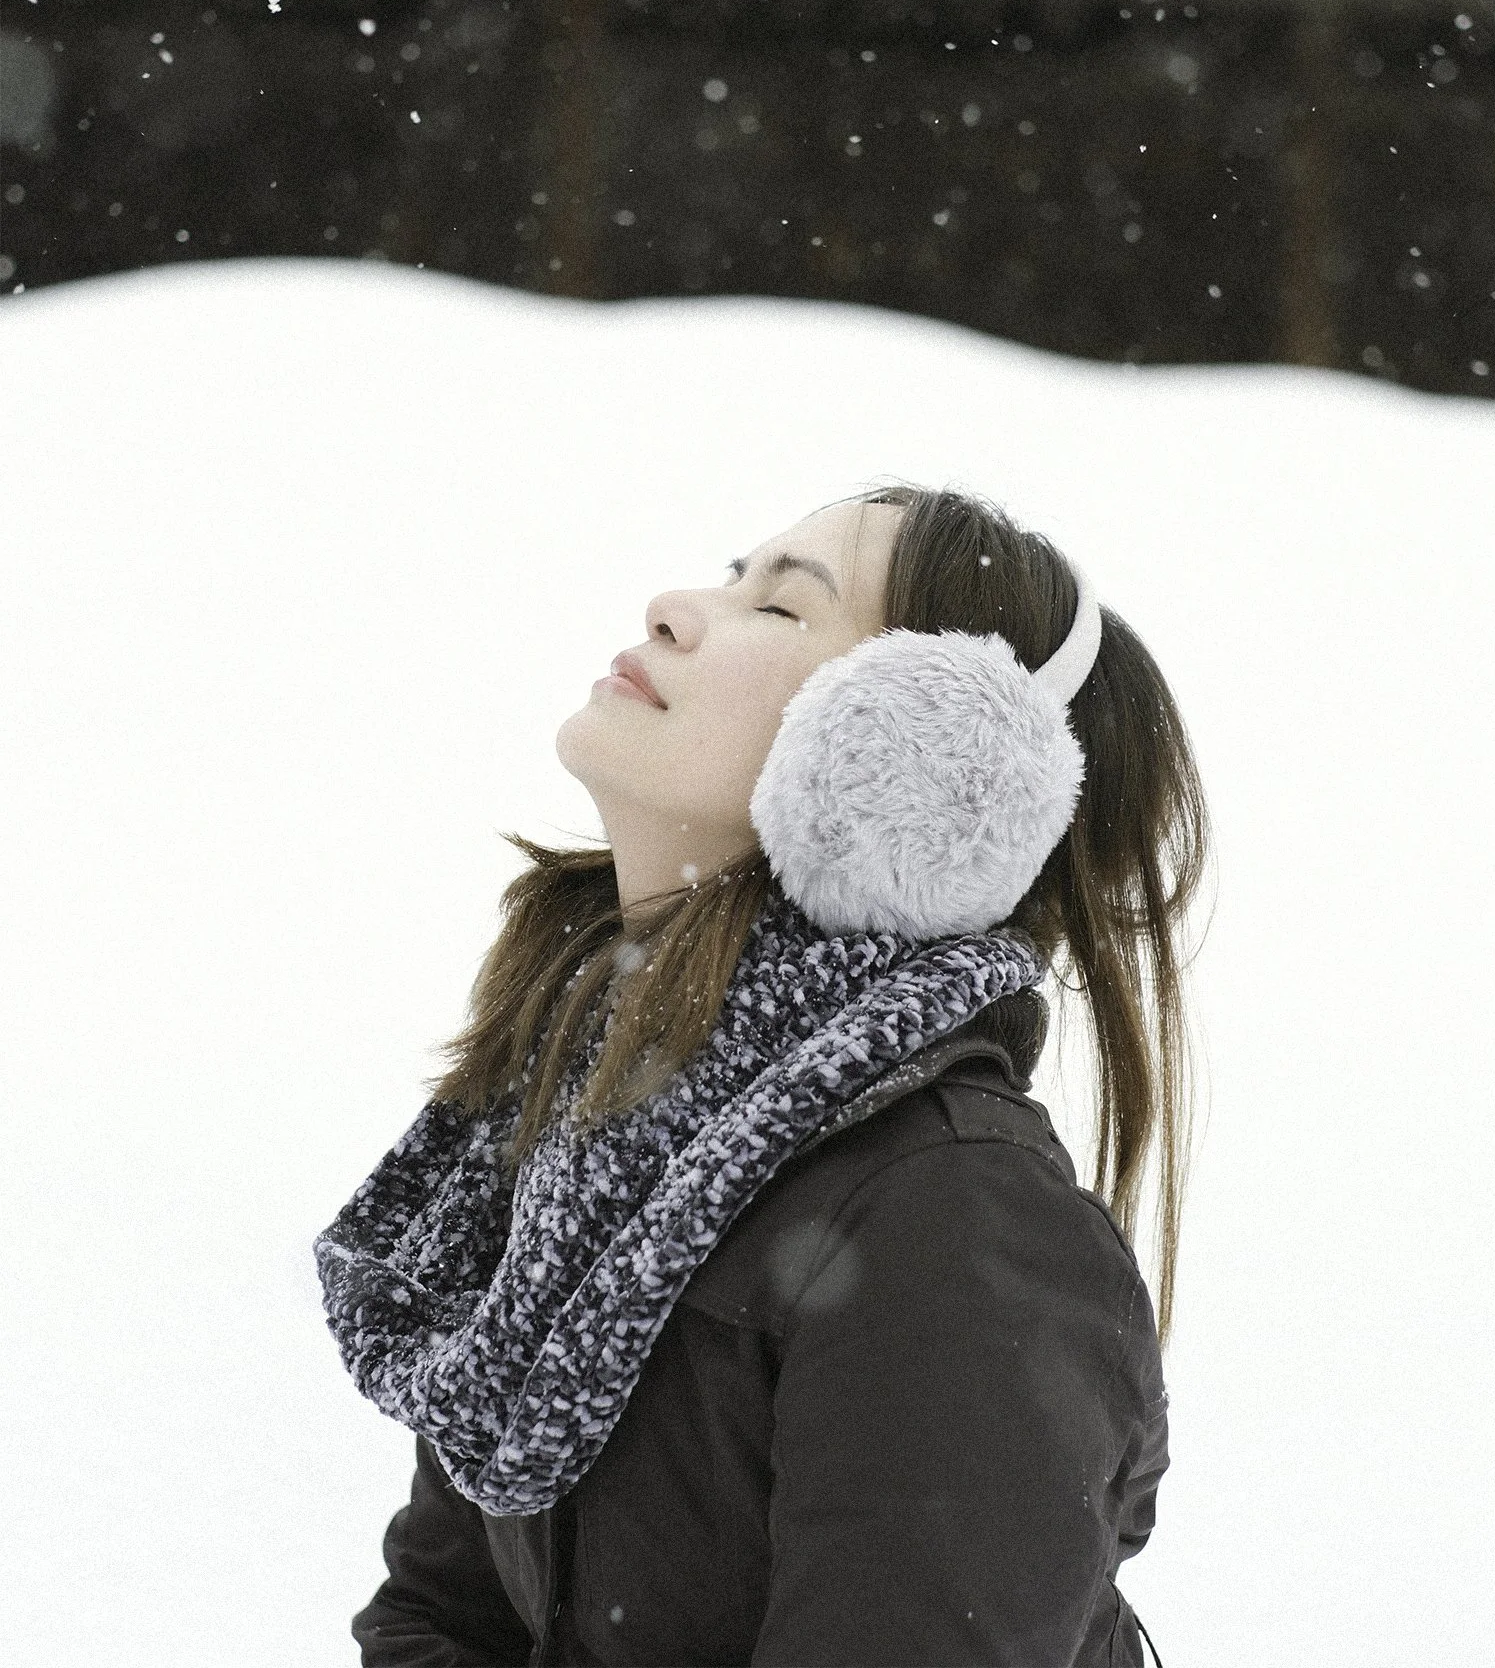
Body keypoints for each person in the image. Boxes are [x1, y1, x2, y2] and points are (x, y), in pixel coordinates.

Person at [315, 481, 1210, 1665]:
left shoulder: (950, 1218)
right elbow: (441, 1618)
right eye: (732, 573)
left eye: (781, 609)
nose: (675, 607)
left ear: (909, 760)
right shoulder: (593, 1136)